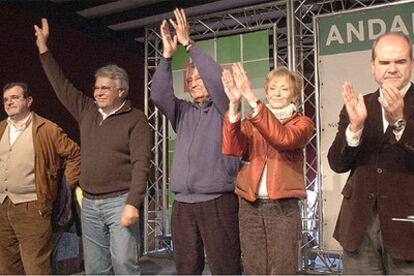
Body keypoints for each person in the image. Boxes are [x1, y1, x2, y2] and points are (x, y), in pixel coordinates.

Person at [34, 19, 151, 274]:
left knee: (123, 264)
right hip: (89, 203)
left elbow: (142, 164)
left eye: (105, 88)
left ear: (121, 91)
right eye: (96, 87)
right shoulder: (87, 110)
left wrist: (134, 202)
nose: (98, 92)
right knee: (96, 269)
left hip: (120, 201)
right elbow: (61, 85)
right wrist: (44, 49)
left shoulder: (136, 119)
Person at [150, 8, 241, 275]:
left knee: (226, 267)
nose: (197, 82)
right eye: (191, 80)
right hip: (183, 205)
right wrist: (167, 56)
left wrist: (188, 44)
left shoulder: (225, 108)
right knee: (186, 269)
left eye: (200, 78)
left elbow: (215, 79)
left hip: (217, 201)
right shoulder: (183, 112)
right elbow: (158, 94)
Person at [328, 31, 414, 274]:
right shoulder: (359, 105)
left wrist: (399, 122)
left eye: (400, 61)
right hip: (359, 228)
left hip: (408, 230)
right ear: (373, 66)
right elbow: (337, 163)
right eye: (385, 62)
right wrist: (354, 128)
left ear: (412, 64)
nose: (392, 69)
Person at [221, 63, 314, 274]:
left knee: (281, 267)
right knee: (254, 266)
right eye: (272, 88)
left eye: (283, 88)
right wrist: (235, 104)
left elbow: (282, 138)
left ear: (294, 95)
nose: (277, 93)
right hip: (250, 204)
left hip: (282, 206)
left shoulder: (303, 123)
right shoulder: (253, 120)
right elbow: (231, 148)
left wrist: (251, 99)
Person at [0, 82, 81, 274]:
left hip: (33, 206)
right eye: (5, 99)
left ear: (28, 101)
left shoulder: (46, 128)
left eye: (14, 98)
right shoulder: (2, 128)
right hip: (2, 206)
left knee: (36, 267)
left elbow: (74, 154)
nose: (9, 102)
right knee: (6, 267)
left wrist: (64, 184)